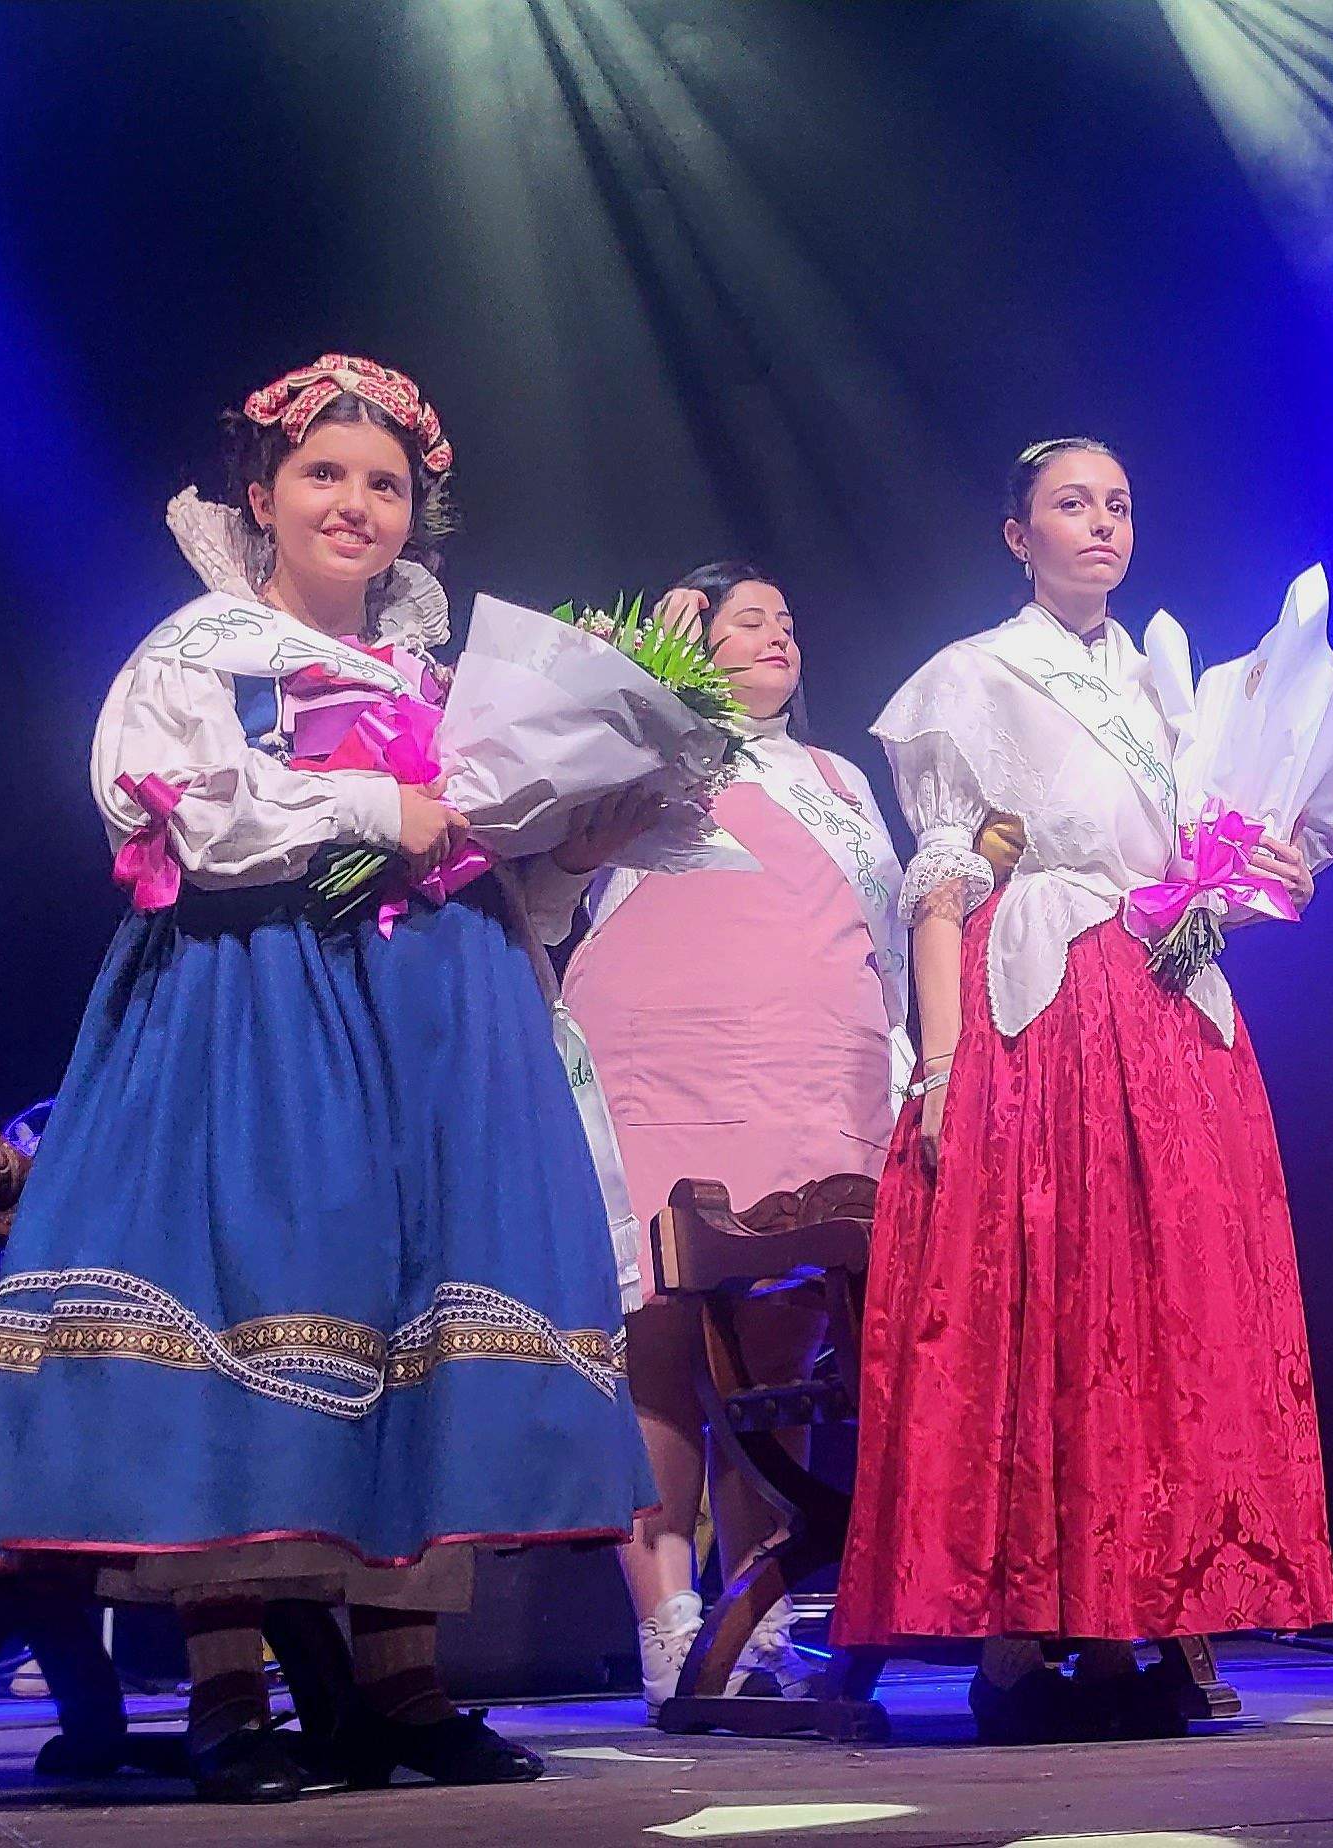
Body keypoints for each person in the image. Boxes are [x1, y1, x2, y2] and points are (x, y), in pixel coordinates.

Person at [0, 356, 658, 1802]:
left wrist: (576, 843)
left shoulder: (444, 683)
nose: (357, 503)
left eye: (385, 484)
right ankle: (229, 1689)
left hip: (442, 1021)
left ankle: (402, 1680)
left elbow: (509, 878)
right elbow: (183, 812)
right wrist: (396, 804)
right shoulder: (205, 649)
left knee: (420, 1315)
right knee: (263, 1291)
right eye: (326, 474)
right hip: (258, 1009)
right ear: (260, 496)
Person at [838, 438, 1333, 1743]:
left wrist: (1258, 870)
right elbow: (946, 880)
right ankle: (1017, 1642)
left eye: (1120, 503)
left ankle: (1132, 1614)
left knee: (1154, 1322)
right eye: (1072, 504)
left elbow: (1233, 842)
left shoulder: (1175, 681)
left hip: (1165, 1013)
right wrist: (944, 1062)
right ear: (1015, 533)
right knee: (1039, 1311)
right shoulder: (969, 678)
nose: (1102, 524)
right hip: (1043, 1015)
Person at [559, 560, 904, 1703]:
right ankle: (669, 1622)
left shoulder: (837, 777)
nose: (777, 635)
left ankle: (761, 1615)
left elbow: (890, 938)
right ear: (684, 637)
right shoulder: (647, 750)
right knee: (655, 1334)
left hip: (815, 1079)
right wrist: (640, 681)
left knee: (783, 1355)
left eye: (788, 619)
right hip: (661, 1064)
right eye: (747, 618)